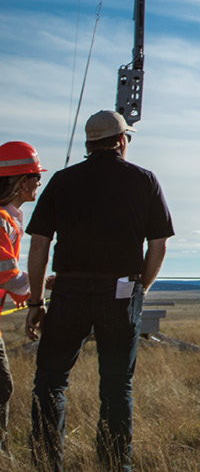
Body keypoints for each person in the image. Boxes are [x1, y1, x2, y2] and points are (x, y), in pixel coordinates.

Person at [24, 111, 174, 472]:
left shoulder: (62, 181)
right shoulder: (144, 180)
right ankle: (114, 465)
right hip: (120, 292)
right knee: (117, 386)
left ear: (89, 144)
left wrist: (35, 301)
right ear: (122, 141)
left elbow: (40, 245)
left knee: (50, 382)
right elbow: (158, 246)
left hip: (68, 291)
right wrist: (141, 290)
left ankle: (46, 464)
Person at [0, 141, 42, 454]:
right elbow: (7, 274)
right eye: (36, 177)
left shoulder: (9, 218)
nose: (39, 183)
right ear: (21, 181)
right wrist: (43, 286)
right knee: (2, 386)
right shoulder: (2, 220)